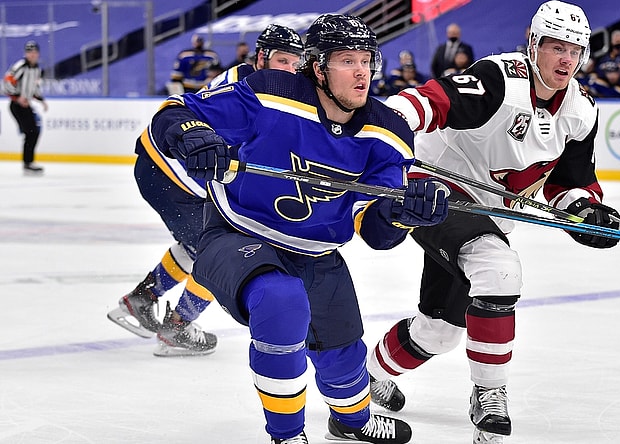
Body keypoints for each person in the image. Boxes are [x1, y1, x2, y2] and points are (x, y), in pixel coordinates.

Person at [147, 13, 449, 444]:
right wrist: (192, 135)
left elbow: (378, 232)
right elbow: (172, 113)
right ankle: (287, 435)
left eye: (367, 59)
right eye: (347, 60)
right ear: (318, 67)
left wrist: (405, 213)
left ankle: (352, 421)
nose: (362, 71)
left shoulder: (390, 133)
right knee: (281, 302)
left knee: (343, 351)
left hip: (317, 251)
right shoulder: (270, 93)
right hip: (236, 233)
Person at [370, 2, 620, 443]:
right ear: (534, 46)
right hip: (434, 191)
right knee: (498, 269)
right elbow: (426, 102)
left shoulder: (582, 110)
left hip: (487, 215)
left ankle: (364, 374)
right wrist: (379, 128)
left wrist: (586, 210)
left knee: (440, 331)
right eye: (555, 47)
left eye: (575, 50)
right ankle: (489, 397)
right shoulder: (500, 79)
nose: (566, 59)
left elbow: (570, 183)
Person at [107, 24, 305, 357]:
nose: (290, 71)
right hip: (171, 172)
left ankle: (141, 301)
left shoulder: (253, 80)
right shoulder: (249, 89)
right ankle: (177, 328)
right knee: (222, 251)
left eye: (295, 64)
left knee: (197, 242)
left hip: (162, 168)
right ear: (261, 58)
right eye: (283, 61)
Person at [4, 40, 48, 175]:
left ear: (38, 54)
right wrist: (17, 97)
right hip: (17, 106)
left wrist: (42, 100)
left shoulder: (37, 70)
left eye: (34, 52)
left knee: (33, 132)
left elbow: (33, 88)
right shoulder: (21, 66)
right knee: (31, 132)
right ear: (25, 54)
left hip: (26, 105)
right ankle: (28, 163)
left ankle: (28, 163)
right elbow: (7, 82)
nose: (32, 55)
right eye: (29, 52)